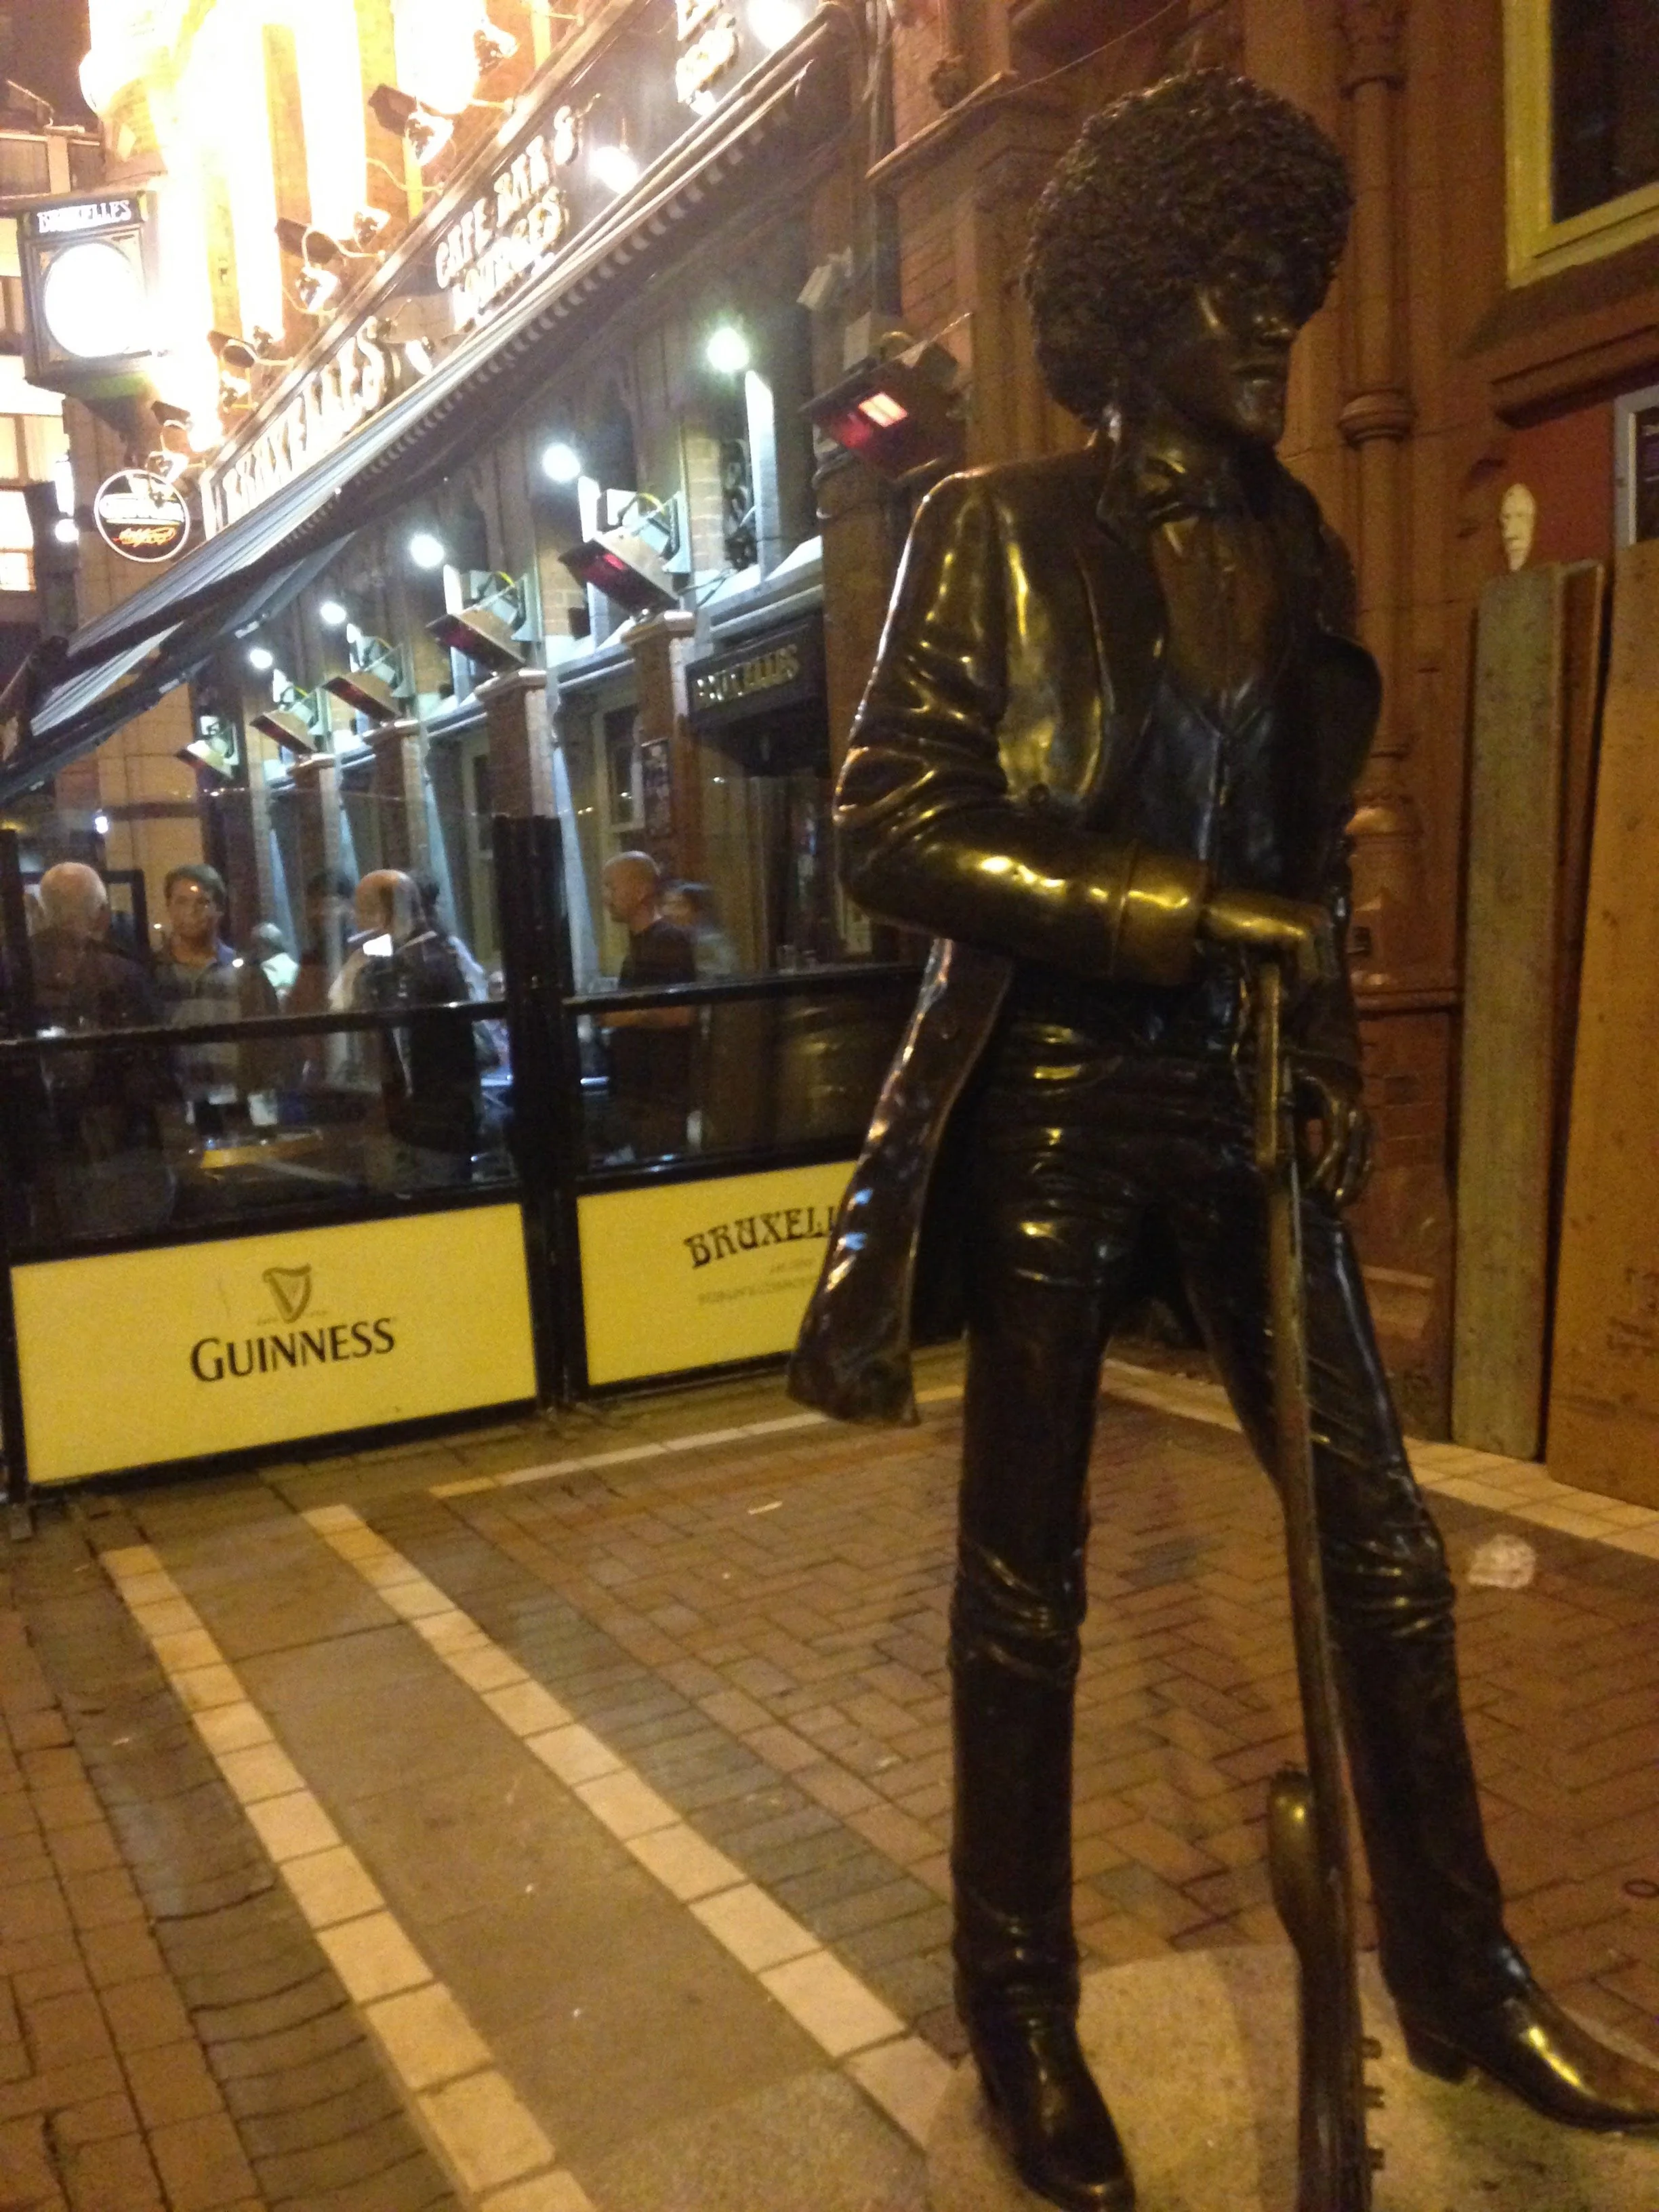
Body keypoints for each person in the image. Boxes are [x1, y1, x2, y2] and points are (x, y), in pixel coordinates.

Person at [790, 69, 1659, 2212]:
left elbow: (1307, 859)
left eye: (1284, 283)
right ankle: (1021, 2004)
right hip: (1057, 1106)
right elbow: (888, 829)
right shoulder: (993, 531)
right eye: (1222, 283)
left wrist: (1341, 1056)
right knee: (1028, 1578)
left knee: (1377, 1539)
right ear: (1121, 299)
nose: (1264, 319)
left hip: (1242, 1100)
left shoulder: (1302, 540)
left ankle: (1462, 1972)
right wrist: (1172, 913)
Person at [26, 862, 171, 1236]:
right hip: (122, 1150)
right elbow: (157, 1068)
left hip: (35, 1152)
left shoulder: (14, 973)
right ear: (103, 915)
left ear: (39, 912)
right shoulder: (122, 975)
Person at [345, 868, 480, 1172]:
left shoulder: (405, 970)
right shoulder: (435, 954)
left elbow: (396, 1057)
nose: (355, 922)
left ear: (382, 916)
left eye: (362, 912)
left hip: (423, 1129)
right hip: (445, 1120)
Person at [153, 862, 279, 1122]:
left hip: (238, 1109)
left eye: (203, 902)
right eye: (181, 902)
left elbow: (269, 1051)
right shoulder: (152, 974)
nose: (191, 911)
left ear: (219, 909)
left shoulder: (246, 974)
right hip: (176, 1112)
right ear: (169, 907)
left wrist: (264, 1113)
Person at [600, 851, 695, 1160]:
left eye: (611, 887)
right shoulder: (639, 947)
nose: (606, 897)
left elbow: (683, 1013)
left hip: (660, 1102)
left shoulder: (668, 941)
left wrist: (625, 1017)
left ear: (641, 892)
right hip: (639, 1099)